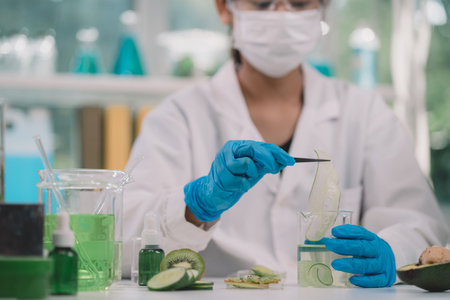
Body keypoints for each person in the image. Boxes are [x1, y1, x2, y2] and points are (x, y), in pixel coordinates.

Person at [122, 0, 449, 287]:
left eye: (299, 2)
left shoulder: (365, 114)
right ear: (225, 7)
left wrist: (392, 251)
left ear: (323, 8)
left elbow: (421, 225)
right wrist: (194, 207)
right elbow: (123, 243)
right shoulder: (178, 116)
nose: (281, 14)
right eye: (263, 3)